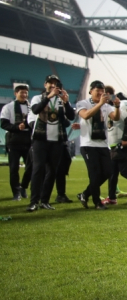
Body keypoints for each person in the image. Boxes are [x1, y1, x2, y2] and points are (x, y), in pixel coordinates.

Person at [28, 75, 76, 212]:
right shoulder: (38, 98)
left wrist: (66, 102)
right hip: (40, 139)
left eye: (56, 84)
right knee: (38, 170)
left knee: (52, 172)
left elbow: (70, 117)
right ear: (45, 85)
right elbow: (36, 110)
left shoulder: (61, 100)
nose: (53, 86)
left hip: (57, 140)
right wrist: (49, 97)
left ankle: (45, 201)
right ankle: (33, 201)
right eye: (50, 83)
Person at [75, 81, 124, 209]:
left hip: (103, 144)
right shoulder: (83, 103)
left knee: (108, 172)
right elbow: (85, 115)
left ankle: (85, 194)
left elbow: (116, 118)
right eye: (98, 91)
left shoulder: (107, 106)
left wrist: (117, 106)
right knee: (94, 173)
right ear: (91, 91)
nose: (100, 93)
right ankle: (97, 202)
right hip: (88, 144)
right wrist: (100, 104)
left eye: (102, 91)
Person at [1, 84, 32, 201]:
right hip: (14, 140)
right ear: (15, 93)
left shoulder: (31, 107)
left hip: (28, 140)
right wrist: (16, 127)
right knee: (14, 168)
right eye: (21, 92)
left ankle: (23, 186)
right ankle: (16, 192)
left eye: (25, 93)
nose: (24, 95)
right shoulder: (8, 107)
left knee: (30, 166)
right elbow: (3, 124)